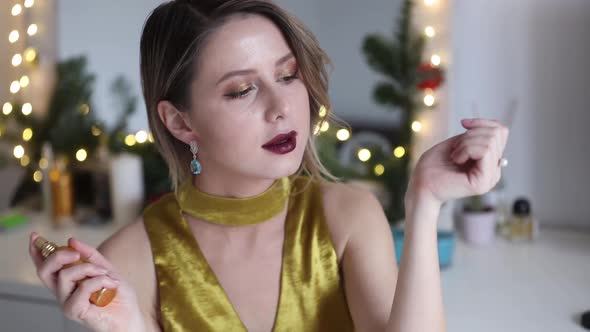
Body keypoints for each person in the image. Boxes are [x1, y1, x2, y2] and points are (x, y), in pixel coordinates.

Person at [28, 1, 510, 331]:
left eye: (287, 75)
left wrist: (424, 201)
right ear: (180, 121)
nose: (282, 106)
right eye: (242, 90)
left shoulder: (348, 218)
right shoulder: (129, 261)